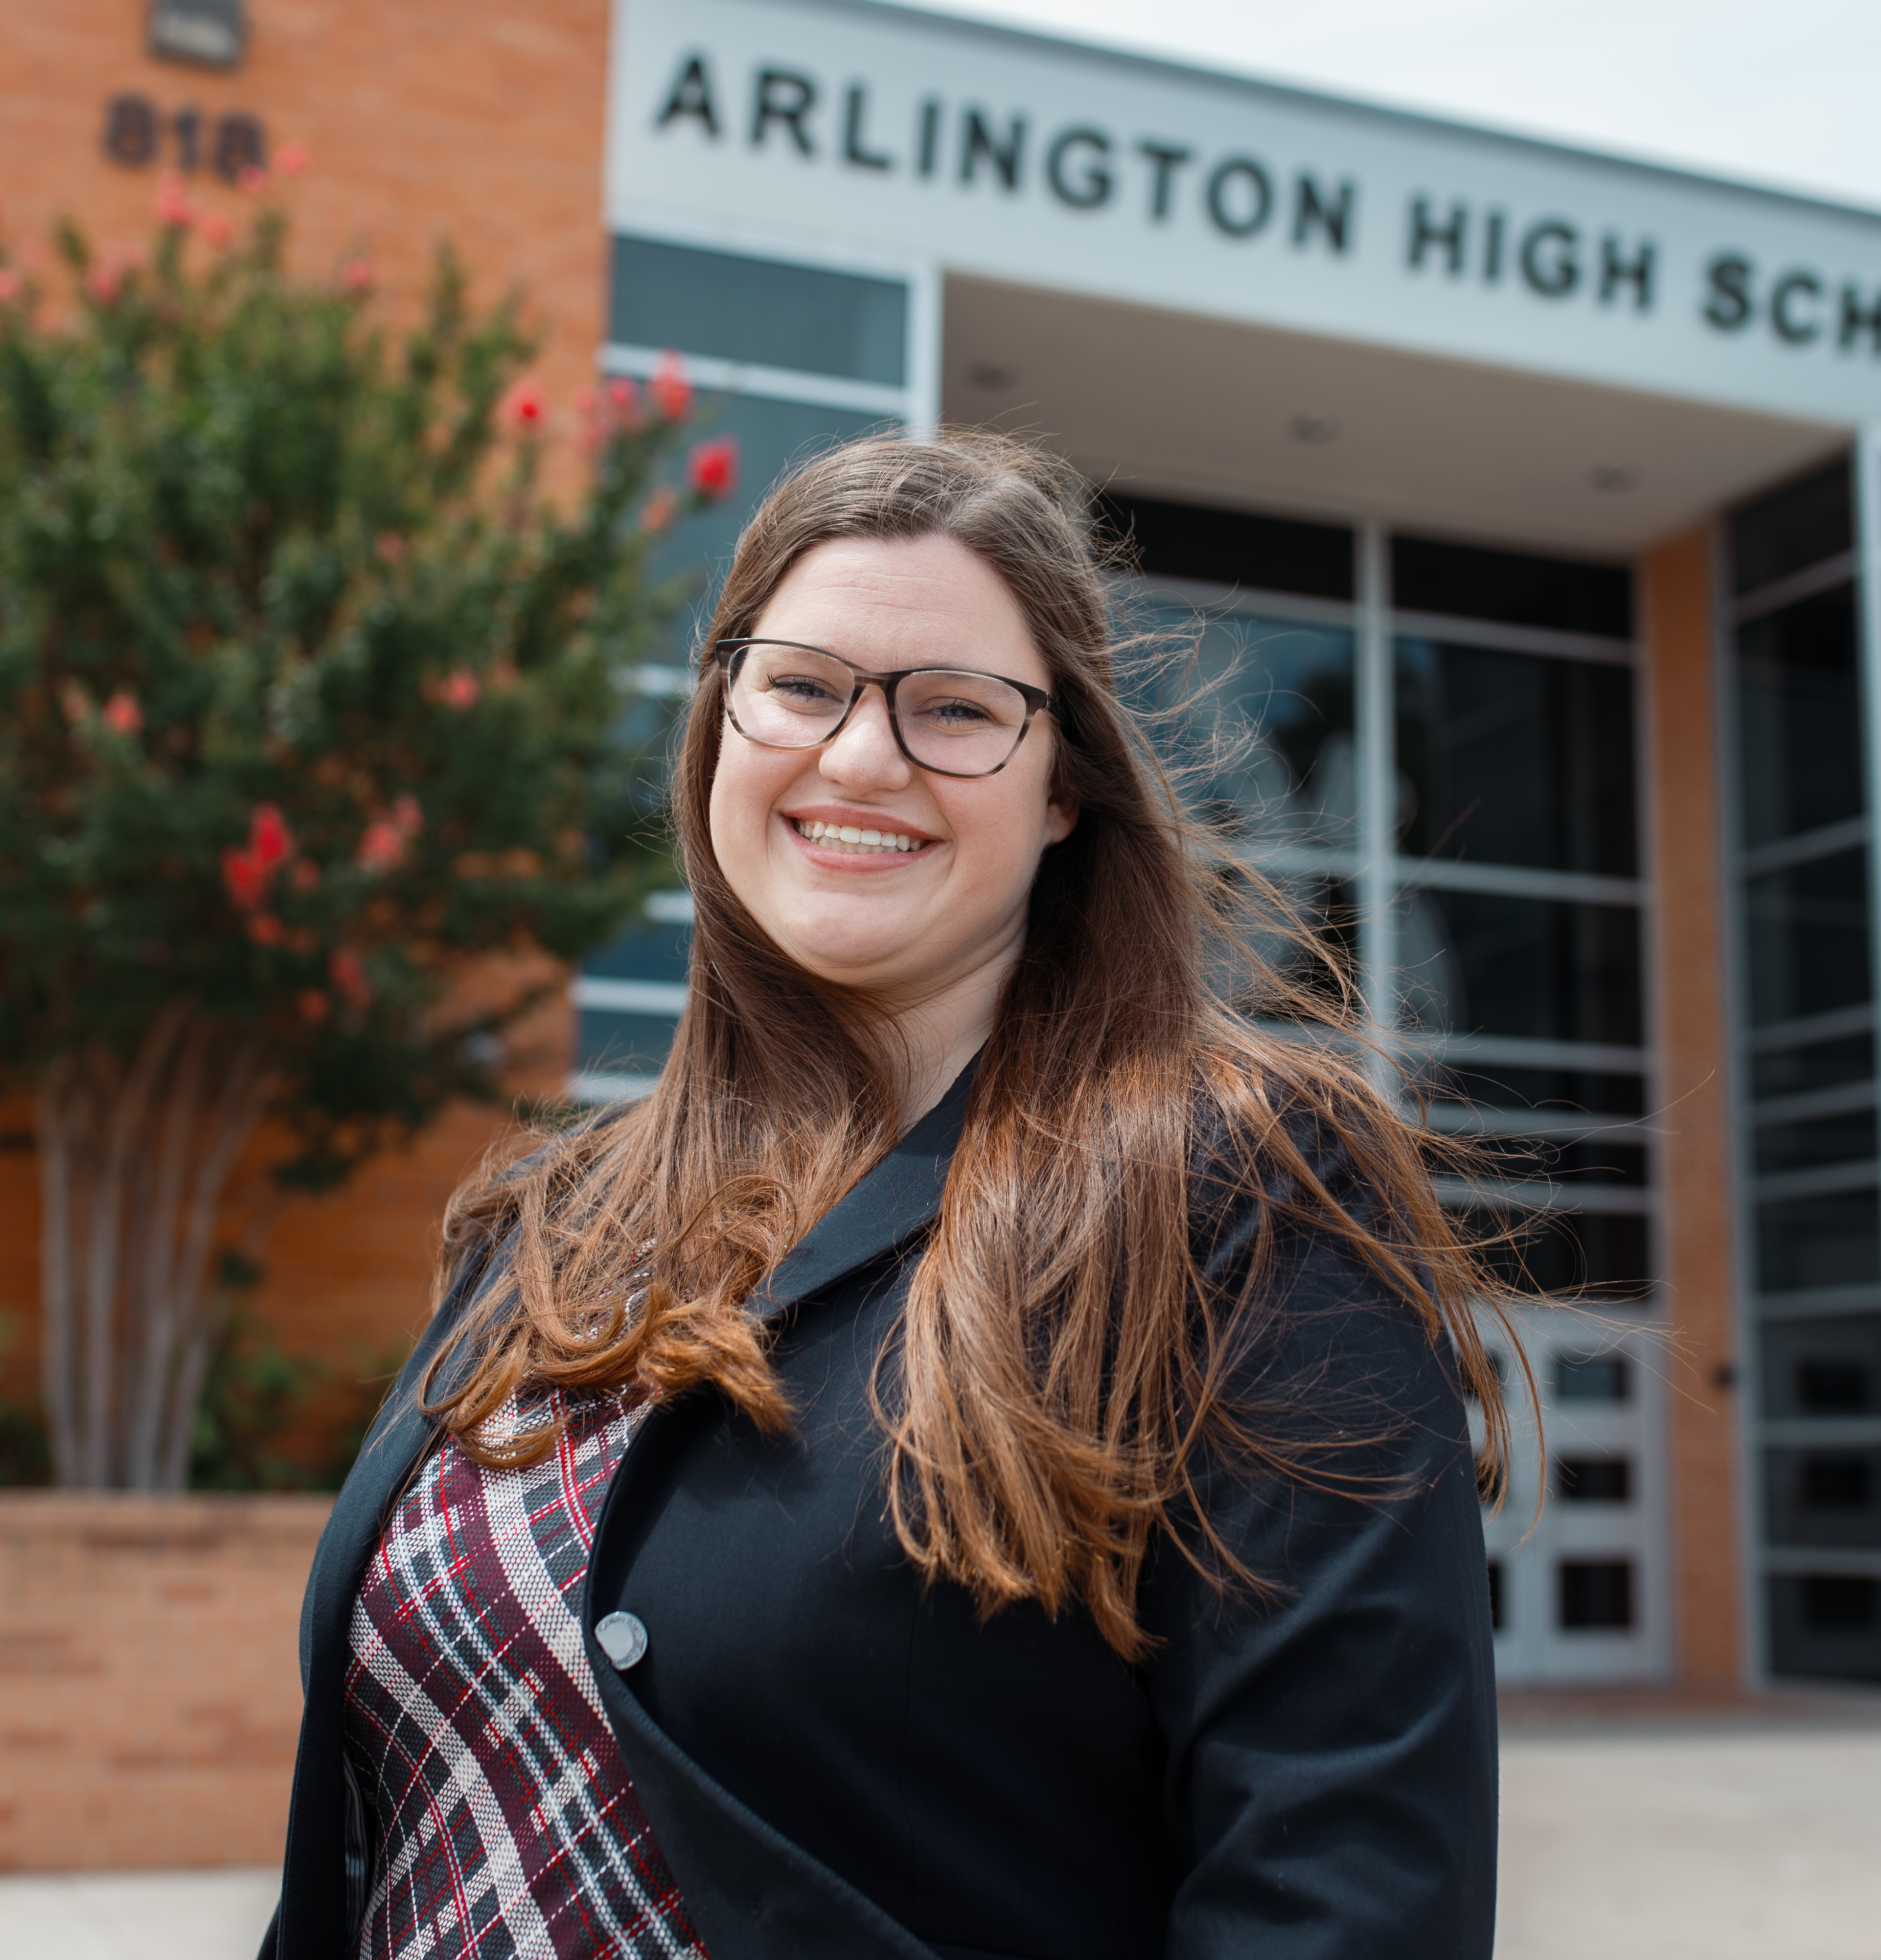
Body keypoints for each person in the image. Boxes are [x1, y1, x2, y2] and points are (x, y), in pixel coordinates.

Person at [263, 431, 1510, 1960]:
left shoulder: (1228, 1199)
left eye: (957, 711)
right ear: (723, 721)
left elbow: (1342, 1887)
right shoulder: (548, 1220)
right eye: (801, 686)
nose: (861, 758)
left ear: (1064, 791)